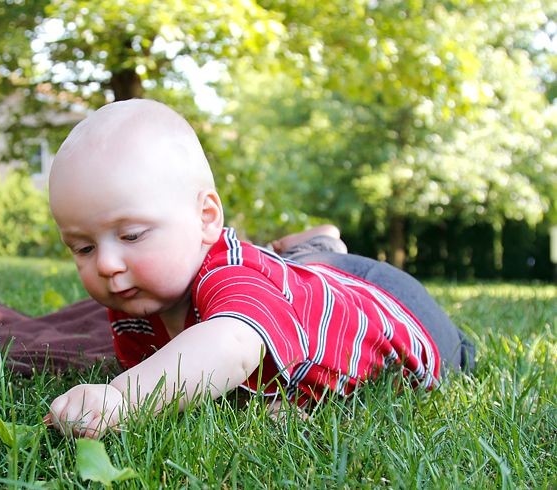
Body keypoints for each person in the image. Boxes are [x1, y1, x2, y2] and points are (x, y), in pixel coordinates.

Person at [44, 99, 474, 438]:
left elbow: (231, 346)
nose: (105, 263)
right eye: (82, 247)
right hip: (308, 283)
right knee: (294, 275)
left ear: (207, 219)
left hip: (397, 309)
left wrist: (123, 399)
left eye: (132, 235)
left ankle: (318, 249)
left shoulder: (228, 276)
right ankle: (311, 250)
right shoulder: (133, 288)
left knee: (285, 278)